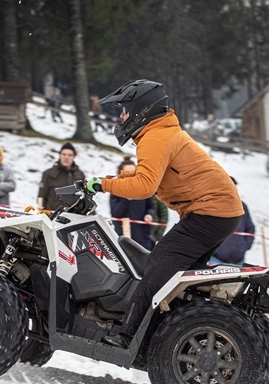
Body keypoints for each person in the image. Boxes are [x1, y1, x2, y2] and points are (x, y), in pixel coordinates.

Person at [86, 79, 244, 349]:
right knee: (180, 275)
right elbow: (150, 175)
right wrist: (113, 178)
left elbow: (144, 186)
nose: (122, 117)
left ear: (141, 110)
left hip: (210, 213)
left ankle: (129, 336)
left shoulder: (155, 137)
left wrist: (103, 184)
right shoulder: (161, 131)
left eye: (124, 111)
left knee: (159, 264)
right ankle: (175, 332)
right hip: (220, 212)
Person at [109, 157, 155, 250]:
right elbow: (115, 213)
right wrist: (127, 199)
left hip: (143, 236)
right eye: (127, 172)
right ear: (120, 174)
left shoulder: (143, 188)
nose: (131, 175)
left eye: (133, 172)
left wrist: (149, 214)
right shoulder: (115, 190)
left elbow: (151, 207)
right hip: (123, 237)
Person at [209, 176, 255, 266]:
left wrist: (246, 245)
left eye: (235, 189)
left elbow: (250, 227)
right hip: (216, 260)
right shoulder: (213, 205)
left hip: (239, 260)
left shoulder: (242, 206)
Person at [37, 142, 85, 211]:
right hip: (51, 215)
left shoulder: (79, 175)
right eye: (64, 154)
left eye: (70, 155)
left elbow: (84, 197)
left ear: (73, 157)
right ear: (60, 155)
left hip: (73, 216)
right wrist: (40, 208)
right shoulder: (48, 173)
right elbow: (41, 194)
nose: (66, 157)